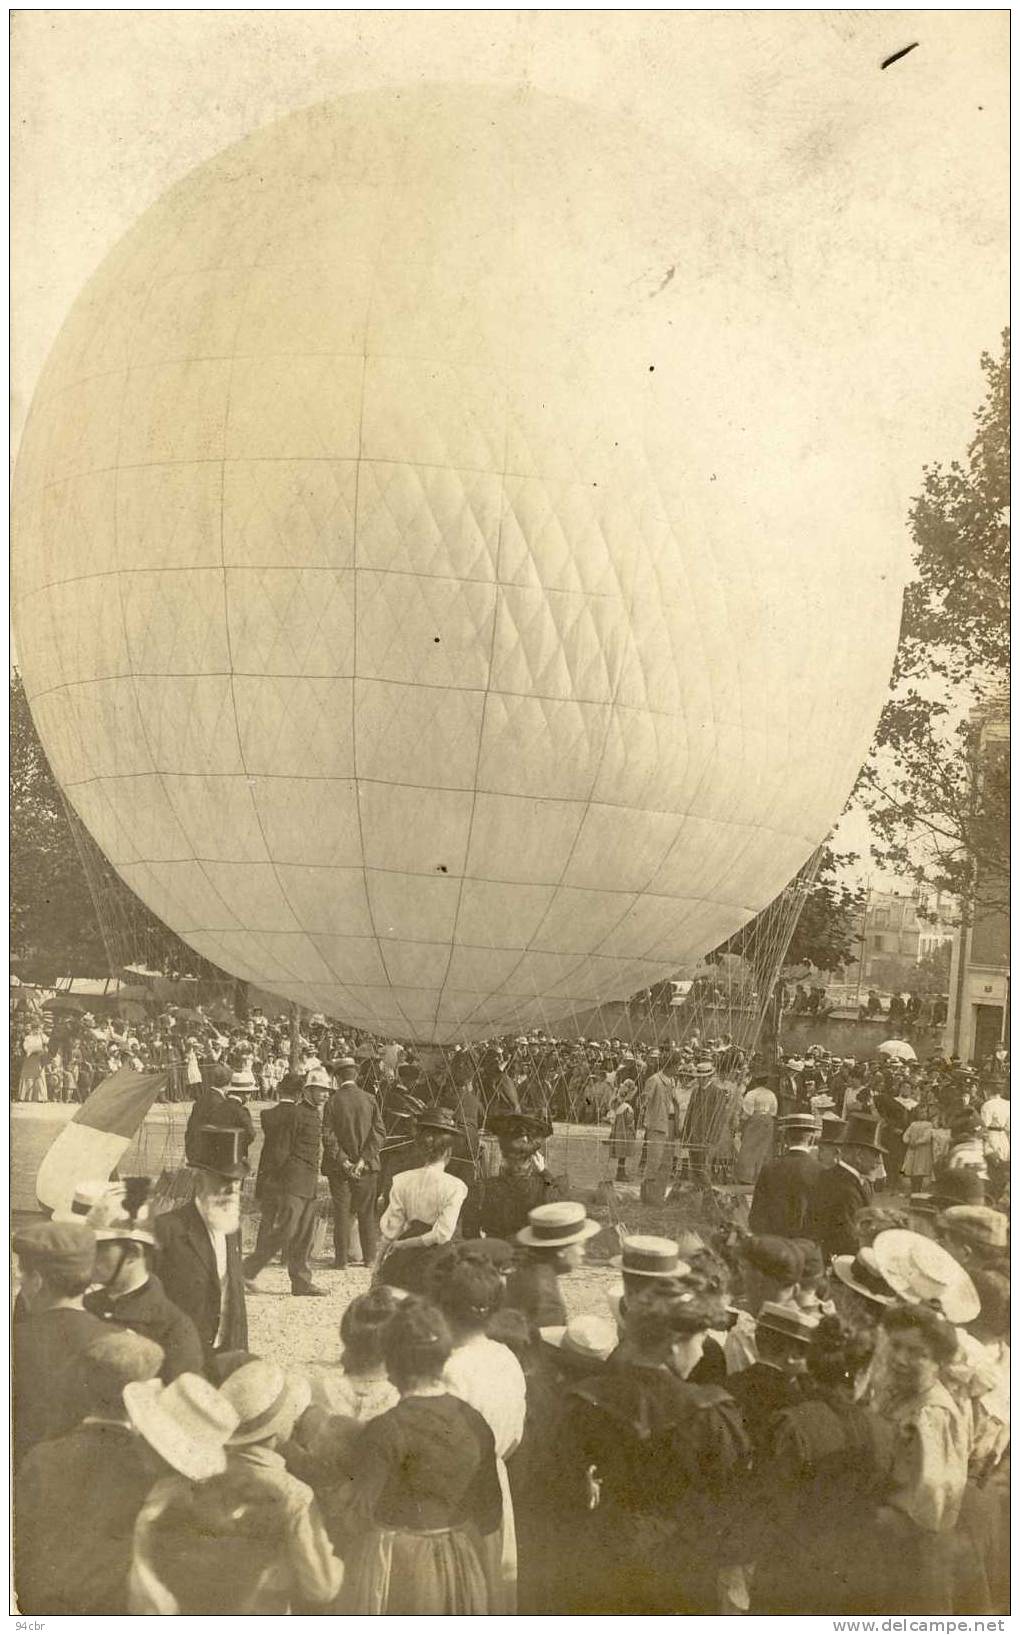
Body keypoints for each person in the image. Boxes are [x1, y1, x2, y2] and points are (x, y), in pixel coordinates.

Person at [556, 1278, 750, 1614]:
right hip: (681, 1563)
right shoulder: (709, 1412)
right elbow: (732, 1495)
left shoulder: (585, 1399)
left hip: (603, 1555)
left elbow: (559, 1486)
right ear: (674, 1344)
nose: (702, 1351)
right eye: (700, 1339)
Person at [334, 1299, 503, 1614]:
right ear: (443, 1358)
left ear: (391, 1363)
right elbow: (490, 1513)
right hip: (460, 1560)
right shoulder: (474, 1420)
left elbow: (356, 1516)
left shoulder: (386, 1429)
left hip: (400, 1566)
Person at [748, 1316, 895, 1614]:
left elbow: (768, 1506)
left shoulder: (791, 1423)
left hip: (795, 1576)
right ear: (862, 1372)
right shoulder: (884, 1430)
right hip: (861, 1577)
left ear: (811, 1362)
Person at [14, 1329, 165, 1614]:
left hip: (42, 1608)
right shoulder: (150, 1467)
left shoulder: (42, 1457)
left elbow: (22, 1544)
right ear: (140, 1396)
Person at [431, 1253, 527, 1612]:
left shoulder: (446, 1368)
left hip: (454, 1500)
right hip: (495, 1483)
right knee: (492, 1591)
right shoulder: (505, 1357)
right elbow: (514, 1436)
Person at [870, 1303, 970, 1613]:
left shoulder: (932, 1412)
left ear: (938, 1361)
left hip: (908, 1553)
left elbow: (931, 1502)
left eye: (917, 1353)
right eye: (897, 1346)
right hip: (880, 1542)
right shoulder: (894, 1393)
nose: (900, 1359)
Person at [83, 1180, 204, 1381]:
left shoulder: (173, 1329)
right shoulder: (87, 1306)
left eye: (100, 1248)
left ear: (132, 1253)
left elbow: (180, 1406)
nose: (90, 1256)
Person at [12, 1219, 109, 1464]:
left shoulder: (14, 1342)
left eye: (23, 1274)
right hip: (86, 1487)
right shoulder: (119, 1340)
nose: (20, 1282)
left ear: (37, 1281)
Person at [154, 1127, 249, 1363]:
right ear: (199, 1182)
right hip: (181, 1356)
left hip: (226, 1353)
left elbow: (234, 1294)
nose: (232, 1190)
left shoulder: (232, 1228)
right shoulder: (168, 1229)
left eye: (237, 1183)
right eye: (223, 1181)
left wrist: (241, 1353)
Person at [243, 1068, 330, 1297]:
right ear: (307, 1091)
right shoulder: (296, 1114)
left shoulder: (314, 1114)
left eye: (327, 1091)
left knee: (304, 1233)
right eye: (320, 1090)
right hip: (291, 1183)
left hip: (308, 1183)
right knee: (287, 1230)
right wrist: (274, 1184)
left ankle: (301, 1282)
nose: (325, 1095)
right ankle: (246, 1270)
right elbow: (280, 1151)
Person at [374, 1109, 468, 1293]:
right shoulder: (455, 1186)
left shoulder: (401, 1180)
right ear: (449, 1151)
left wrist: (378, 1265)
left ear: (420, 1148)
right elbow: (442, 1235)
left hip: (403, 1261)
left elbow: (391, 1230)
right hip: (437, 1261)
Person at [321, 1056, 385, 1269]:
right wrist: (362, 1160)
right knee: (367, 1212)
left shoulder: (332, 1101)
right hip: (366, 1168)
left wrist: (344, 1161)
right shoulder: (369, 1099)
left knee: (341, 1213)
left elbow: (328, 1135)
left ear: (337, 1077)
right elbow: (379, 1133)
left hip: (339, 1169)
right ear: (356, 1076)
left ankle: (341, 1260)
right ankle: (369, 1258)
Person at [460, 1109, 563, 1240]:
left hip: (496, 1254)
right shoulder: (544, 1188)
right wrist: (544, 1172)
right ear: (534, 1158)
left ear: (502, 1156)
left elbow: (469, 1233)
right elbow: (559, 1218)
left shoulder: (482, 1189)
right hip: (531, 1254)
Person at [506, 1200, 600, 1327]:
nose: (583, 1252)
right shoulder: (547, 1302)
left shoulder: (523, 1268)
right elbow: (542, 1344)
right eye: (581, 1245)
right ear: (562, 1251)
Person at [808, 1112, 887, 1261]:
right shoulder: (845, 1189)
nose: (878, 1162)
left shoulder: (835, 1176)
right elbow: (846, 1239)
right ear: (859, 1154)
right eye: (875, 1154)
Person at [249, 1068, 301, 1269]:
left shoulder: (267, 1114)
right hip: (290, 1169)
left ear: (280, 1091)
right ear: (298, 1094)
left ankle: (262, 1253)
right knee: (289, 1215)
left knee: (268, 1215)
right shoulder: (299, 1115)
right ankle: (286, 1257)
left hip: (269, 1168)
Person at [749, 1112, 820, 1235]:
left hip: (774, 1245)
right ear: (812, 1139)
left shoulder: (769, 1168)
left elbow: (756, 1217)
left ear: (785, 1137)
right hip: (805, 1248)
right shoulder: (820, 1171)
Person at [184, 1061, 254, 1164]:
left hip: (193, 1148)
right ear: (229, 1083)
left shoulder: (203, 1098)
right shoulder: (220, 1103)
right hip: (208, 1154)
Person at [734, 1078, 777, 1185]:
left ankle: (747, 1177)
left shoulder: (752, 1093)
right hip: (768, 1119)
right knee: (764, 1148)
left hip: (756, 1119)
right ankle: (761, 1176)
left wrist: (740, 1125)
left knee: (749, 1146)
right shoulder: (771, 1094)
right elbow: (773, 1111)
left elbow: (747, 1111)